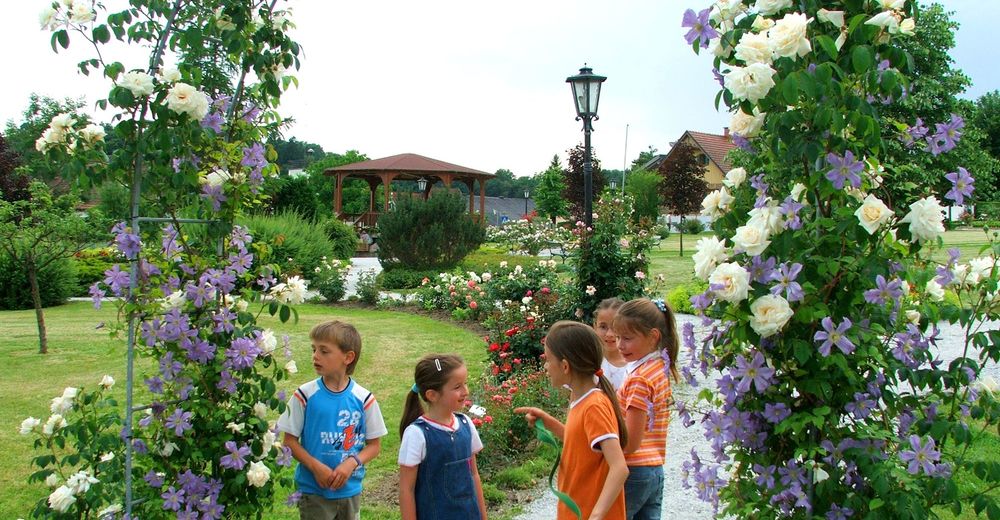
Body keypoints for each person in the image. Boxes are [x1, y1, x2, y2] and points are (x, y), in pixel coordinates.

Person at [515, 321, 629, 520]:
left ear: (565, 366)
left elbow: (619, 468)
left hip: (587, 513)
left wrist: (596, 515)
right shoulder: (580, 399)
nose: (545, 366)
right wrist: (549, 422)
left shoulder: (594, 406)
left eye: (548, 360)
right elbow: (581, 444)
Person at [277, 320, 388, 520]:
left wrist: (351, 464)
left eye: (324, 351)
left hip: (350, 489)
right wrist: (315, 467)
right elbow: (289, 442)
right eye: (314, 349)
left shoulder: (364, 399)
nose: (315, 356)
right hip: (314, 491)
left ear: (348, 357)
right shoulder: (304, 395)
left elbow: (374, 445)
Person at [398, 354, 487, 520]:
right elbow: (406, 490)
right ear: (432, 395)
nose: (465, 391)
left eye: (465, 384)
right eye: (457, 387)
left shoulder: (466, 424)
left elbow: (473, 475)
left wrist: (483, 516)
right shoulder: (417, 434)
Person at [613, 298, 679, 520]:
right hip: (654, 469)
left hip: (633, 471)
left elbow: (631, 442)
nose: (620, 345)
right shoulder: (660, 367)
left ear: (653, 336)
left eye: (628, 338)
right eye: (618, 337)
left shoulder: (640, 379)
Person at [593, 297, 628, 390]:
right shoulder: (588, 363)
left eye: (615, 327)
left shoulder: (634, 367)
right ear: (595, 327)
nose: (609, 334)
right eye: (603, 327)